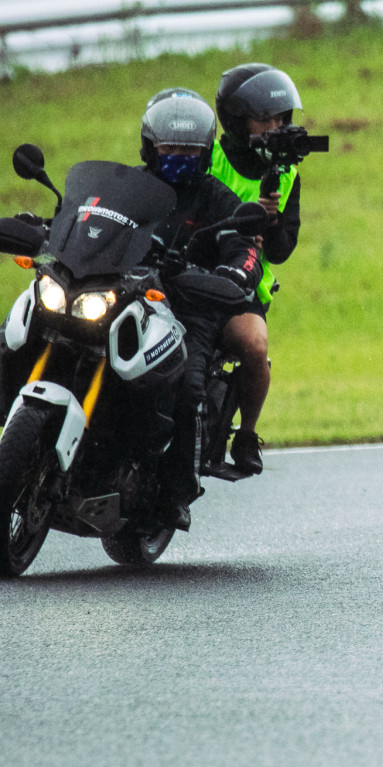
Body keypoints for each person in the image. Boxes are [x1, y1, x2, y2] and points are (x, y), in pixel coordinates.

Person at [140, 88, 261, 530]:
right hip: (128, 296)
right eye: (169, 147)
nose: (178, 156)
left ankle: (178, 490)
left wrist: (235, 275)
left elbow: (246, 247)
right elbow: (89, 215)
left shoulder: (217, 198)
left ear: (206, 151)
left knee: (189, 388)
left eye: (189, 150)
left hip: (191, 308)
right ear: (150, 146)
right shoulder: (131, 187)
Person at [209, 62, 307, 475]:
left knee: (254, 347)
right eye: (263, 118)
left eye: (280, 118)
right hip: (191, 267)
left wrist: (272, 222)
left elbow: (282, 251)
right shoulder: (208, 156)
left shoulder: (287, 175)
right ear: (236, 120)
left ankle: (246, 433)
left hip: (244, 285)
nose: (274, 126)